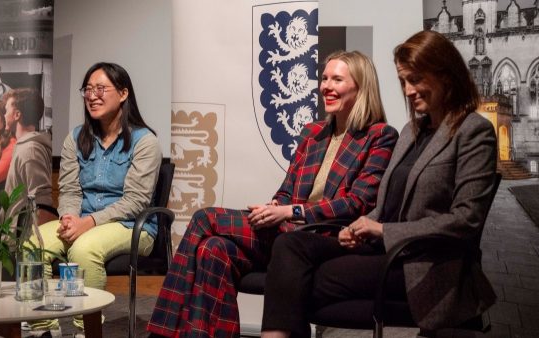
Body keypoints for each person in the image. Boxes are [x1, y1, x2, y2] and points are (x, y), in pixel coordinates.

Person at [261, 30, 498, 338]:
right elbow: (386, 206)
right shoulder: (410, 132)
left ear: (446, 76)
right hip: (385, 251)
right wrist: (360, 225)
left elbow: (466, 220)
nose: (408, 90)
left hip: (428, 264)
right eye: (403, 81)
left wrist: (384, 230)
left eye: (415, 79)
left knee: (303, 280)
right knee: (291, 245)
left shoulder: (474, 132)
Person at [147, 50, 399, 337]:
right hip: (285, 229)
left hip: (324, 238)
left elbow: (357, 203)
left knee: (205, 218)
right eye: (324, 78)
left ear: (361, 87)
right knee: (212, 250)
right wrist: (274, 206)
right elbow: (287, 189)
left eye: (337, 79)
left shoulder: (380, 136)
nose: (326, 86)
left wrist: (290, 211)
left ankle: (161, 332)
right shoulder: (312, 133)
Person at [30, 62, 161, 335]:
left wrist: (88, 222)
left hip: (130, 225)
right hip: (82, 219)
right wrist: (68, 217)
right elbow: (69, 189)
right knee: (33, 244)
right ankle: (43, 329)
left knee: (83, 249)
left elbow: (135, 202)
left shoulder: (145, 141)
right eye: (87, 90)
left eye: (100, 88)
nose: (92, 96)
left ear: (123, 93)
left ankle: (86, 330)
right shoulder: (76, 138)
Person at [1, 88, 57, 227]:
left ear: (17, 115)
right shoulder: (23, 147)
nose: (4, 115)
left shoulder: (30, 150)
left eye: (6, 110)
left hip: (22, 243)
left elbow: (41, 203)